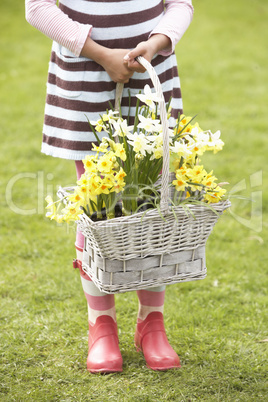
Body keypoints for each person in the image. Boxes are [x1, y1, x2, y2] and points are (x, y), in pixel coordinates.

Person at [25, 0, 194, 373]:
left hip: (151, 72)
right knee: (98, 206)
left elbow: (181, 4)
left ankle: (152, 322)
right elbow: (37, 7)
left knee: (151, 204)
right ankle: (101, 325)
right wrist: (101, 54)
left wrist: (156, 42)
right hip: (86, 73)